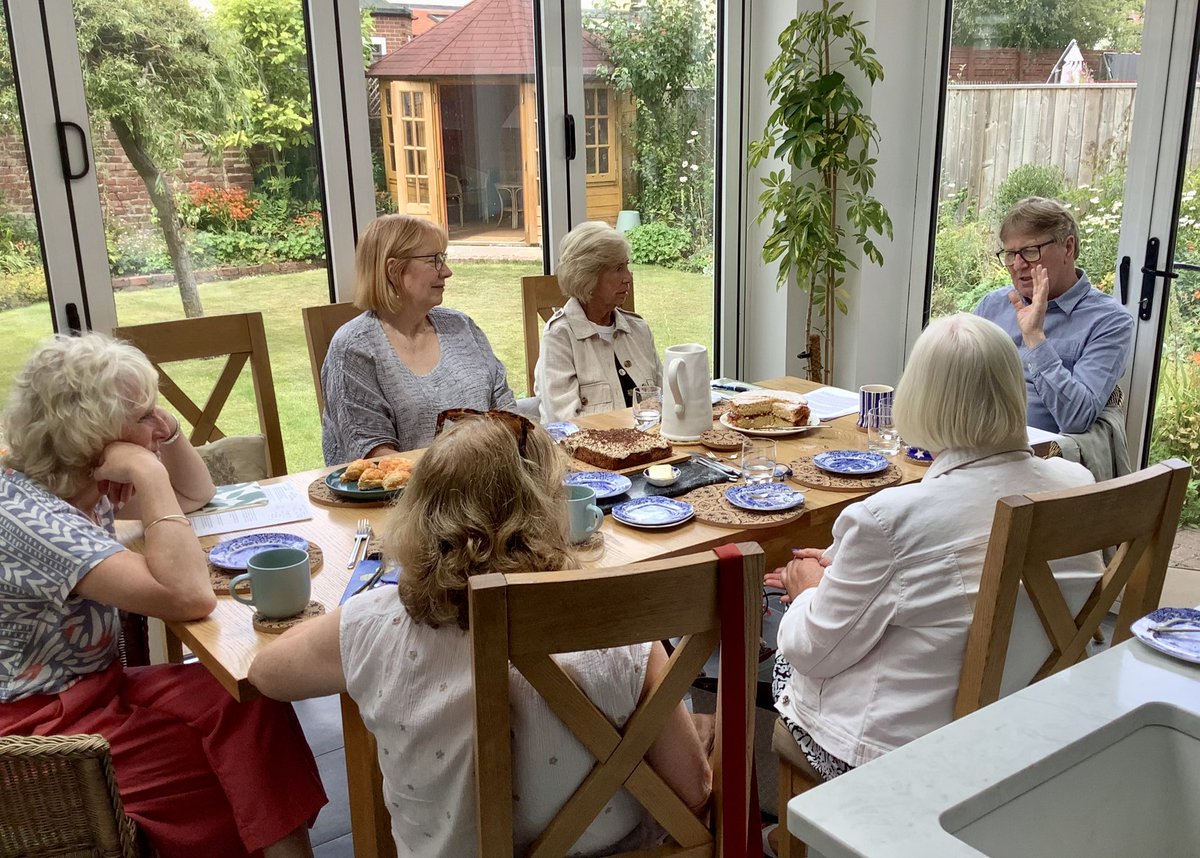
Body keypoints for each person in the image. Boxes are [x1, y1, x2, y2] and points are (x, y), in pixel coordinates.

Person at [250, 410, 711, 856]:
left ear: (418, 512)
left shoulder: (373, 625)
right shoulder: (622, 630)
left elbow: (266, 674)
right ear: (550, 513)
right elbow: (693, 792)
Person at [0, 333, 327, 858]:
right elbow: (190, 596)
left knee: (249, 700)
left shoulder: (71, 478)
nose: (160, 423)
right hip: (39, 730)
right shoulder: (35, 521)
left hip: (96, 689)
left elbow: (196, 496)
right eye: (144, 415)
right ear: (95, 433)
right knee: (225, 768)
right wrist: (149, 473)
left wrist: (165, 439)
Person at [766, 314, 1102, 784]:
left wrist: (809, 591)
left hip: (913, 756)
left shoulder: (887, 520)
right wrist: (848, 575)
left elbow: (812, 653)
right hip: (1037, 721)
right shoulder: (1078, 482)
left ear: (919, 396)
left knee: (782, 642)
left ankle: (753, 804)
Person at [321, 214, 517, 464]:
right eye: (434, 260)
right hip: (409, 488)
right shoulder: (354, 349)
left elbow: (508, 414)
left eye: (443, 258)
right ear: (393, 270)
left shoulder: (462, 327)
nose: (447, 271)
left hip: (490, 478)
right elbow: (375, 458)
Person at [974, 196, 1133, 434]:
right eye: (1010, 254)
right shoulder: (993, 305)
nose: (1017, 265)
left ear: (1068, 248)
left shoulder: (1109, 321)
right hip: (970, 440)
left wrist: (1035, 338)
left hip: (1041, 453)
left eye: (1030, 251)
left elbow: (1077, 419)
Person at [535, 221, 662, 423]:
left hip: (652, 441)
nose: (628, 278)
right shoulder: (559, 337)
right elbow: (565, 423)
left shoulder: (639, 330)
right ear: (588, 276)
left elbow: (665, 402)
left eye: (627, 266)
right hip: (590, 444)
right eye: (618, 268)